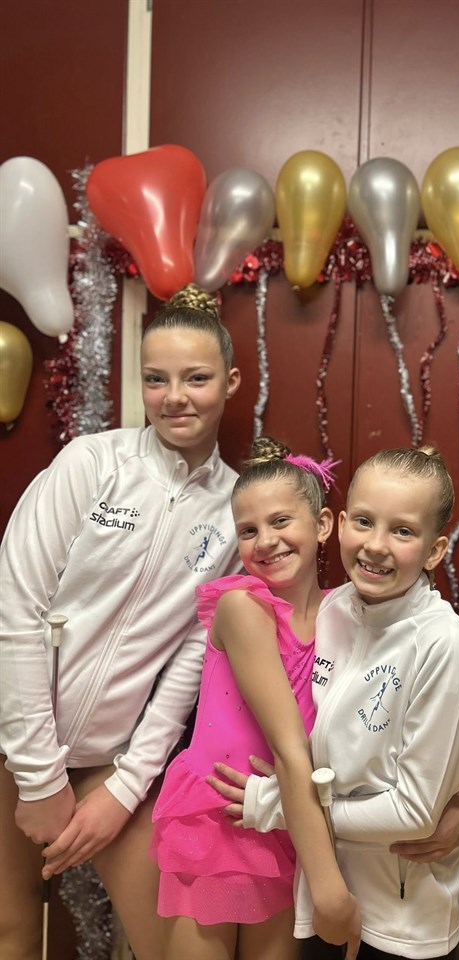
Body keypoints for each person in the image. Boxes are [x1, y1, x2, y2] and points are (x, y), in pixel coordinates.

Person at [0, 284, 243, 960]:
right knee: (12, 931)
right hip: (12, 742)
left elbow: (190, 660)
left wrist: (127, 785)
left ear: (230, 382)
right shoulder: (92, 463)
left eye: (196, 378)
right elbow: (16, 611)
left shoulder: (235, 511)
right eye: (156, 379)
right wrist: (38, 777)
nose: (175, 397)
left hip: (108, 760)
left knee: (173, 946)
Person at [211, 446, 459, 960]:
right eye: (364, 521)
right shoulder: (334, 611)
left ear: (435, 551)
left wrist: (278, 807)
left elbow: (414, 811)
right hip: (322, 894)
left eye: (402, 531)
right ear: (339, 525)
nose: (375, 546)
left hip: (400, 920)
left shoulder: (444, 645)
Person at [151, 436, 360, 960]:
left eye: (281, 521)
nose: (265, 541)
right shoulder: (243, 607)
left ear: (323, 524)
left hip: (287, 817)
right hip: (219, 816)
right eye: (248, 530)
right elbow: (289, 746)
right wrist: (329, 888)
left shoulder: (343, 614)